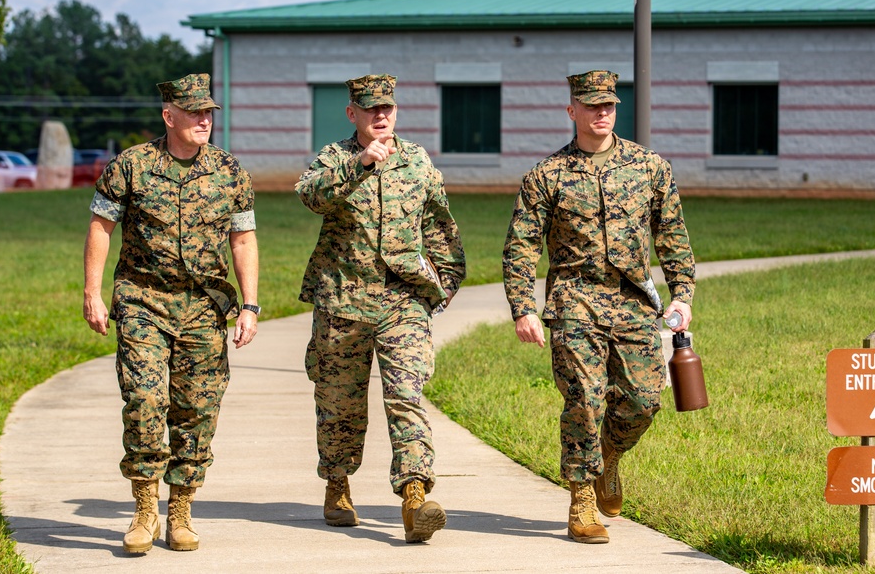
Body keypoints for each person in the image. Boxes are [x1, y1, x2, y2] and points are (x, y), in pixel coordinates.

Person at [502, 70, 695, 544]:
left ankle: (608, 457)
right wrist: (524, 307)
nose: (602, 112)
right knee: (584, 399)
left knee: (645, 401)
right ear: (572, 111)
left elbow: (672, 236)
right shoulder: (546, 175)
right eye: (591, 105)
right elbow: (521, 246)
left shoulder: (650, 167)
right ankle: (582, 498)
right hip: (574, 301)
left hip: (633, 303)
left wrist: (682, 293)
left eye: (608, 104)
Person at [82, 73, 260, 554]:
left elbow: (242, 239)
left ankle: (180, 510)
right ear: (169, 115)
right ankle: (144, 510)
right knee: (143, 401)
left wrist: (249, 305)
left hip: (204, 309)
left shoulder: (229, 171)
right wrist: (92, 292)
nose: (205, 119)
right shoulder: (132, 166)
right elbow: (101, 226)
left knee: (197, 411)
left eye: (209, 112)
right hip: (143, 300)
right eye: (195, 111)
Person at [296, 73, 466, 543]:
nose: (381, 117)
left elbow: (441, 227)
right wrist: (360, 165)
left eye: (387, 109)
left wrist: (443, 286)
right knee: (339, 403)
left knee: (406, 395)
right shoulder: (335, 157)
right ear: (353, 114)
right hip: (342, 301)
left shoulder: (416, 160)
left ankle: (414, 495)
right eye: (371, 110)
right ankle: (337, 482)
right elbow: (309, 196)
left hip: (402, 302)